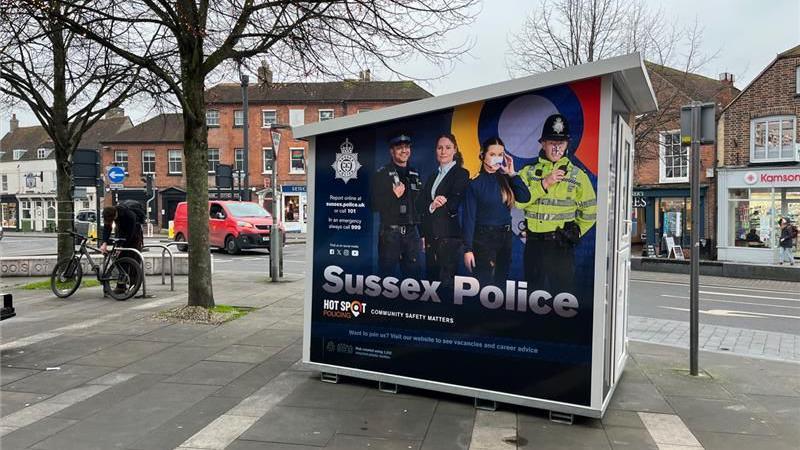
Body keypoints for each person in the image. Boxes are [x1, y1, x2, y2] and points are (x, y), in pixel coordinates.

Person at [517, 114, 597, 293]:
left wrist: (576, 231)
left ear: (567, 145)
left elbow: (591, 211)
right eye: (552, 142)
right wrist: (544, 183)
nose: (556, 148)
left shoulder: (578, 176)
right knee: (532, 296)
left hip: (560, 246)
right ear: (543, 143)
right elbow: (518, 202)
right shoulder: (528, 173)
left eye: (561, 143)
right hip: (533, 245)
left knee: (562, 297)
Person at [462, 137, 530, 286]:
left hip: (505, 237)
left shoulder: (506, 178)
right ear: (482, 155)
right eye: (492, 154)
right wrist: (467, 249)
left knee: (501, 284)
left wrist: (512, 173)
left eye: (500, 154)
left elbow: (525, 197)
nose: (497, 158)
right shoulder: (475, 183)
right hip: (483, 239)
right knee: (485, 285)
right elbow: (468, 218)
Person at [419, 133, 469, 289]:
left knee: (446, 286)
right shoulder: (433, 176)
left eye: (448, 147)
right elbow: (421, 205)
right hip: (430, 237)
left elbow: (453, 204)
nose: (443, 151)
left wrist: (436, 206)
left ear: (455, 150)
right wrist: (432, 206)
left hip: (449, 239)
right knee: (431, 285)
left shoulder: (461, 173)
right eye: (440, 148)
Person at [371, 132, 422, 277]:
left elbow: (419, 207)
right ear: (391, 151)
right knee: (387, 279)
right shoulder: (382, 174)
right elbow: (373, 205)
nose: (404, 151)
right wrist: (393, 195)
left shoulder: (414, 173)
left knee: (414, 280)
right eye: (399, 147)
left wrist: (423, 233)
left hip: (412, 234)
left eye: (407, 147)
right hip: (390, 234)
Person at [100, 203, 144, 294]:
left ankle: (134, 284)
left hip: (134, 235)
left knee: (133, 259)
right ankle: (121, 286)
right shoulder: (109, 215)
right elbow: (107, 228)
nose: (112, 222)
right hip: (120, 233)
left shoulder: (129, 215)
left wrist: (122, 246)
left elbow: (130, 233)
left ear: (115, 215)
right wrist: (104, 243)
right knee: (119, 259)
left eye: (113, 220)